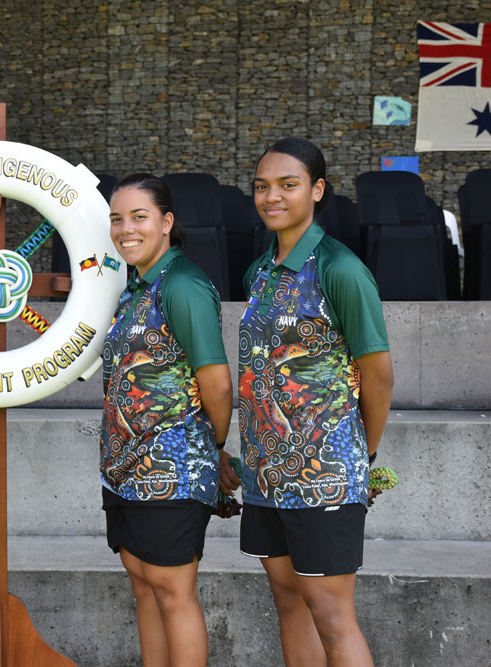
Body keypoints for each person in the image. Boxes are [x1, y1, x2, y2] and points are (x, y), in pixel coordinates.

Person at [221, 137, 394, 666]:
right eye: (262, 186)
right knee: (289, 602)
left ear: (317, 190)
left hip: (325, 475)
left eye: (288, 185)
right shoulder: (259, 273)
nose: (272, 196)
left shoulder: (339, 269)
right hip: (268, 475)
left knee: (332, 616)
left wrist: (360, 455)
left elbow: (378, 373)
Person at [101, 173, 233, 666]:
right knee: (143, 586)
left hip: (171, 469)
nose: (125, 229)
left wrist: (210, 448)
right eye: (117, 219)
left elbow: (217, 384)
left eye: (139, 217)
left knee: (174, 593)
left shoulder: (182, 285)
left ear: (167, 222)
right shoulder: (135, 288)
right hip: (125, 468)